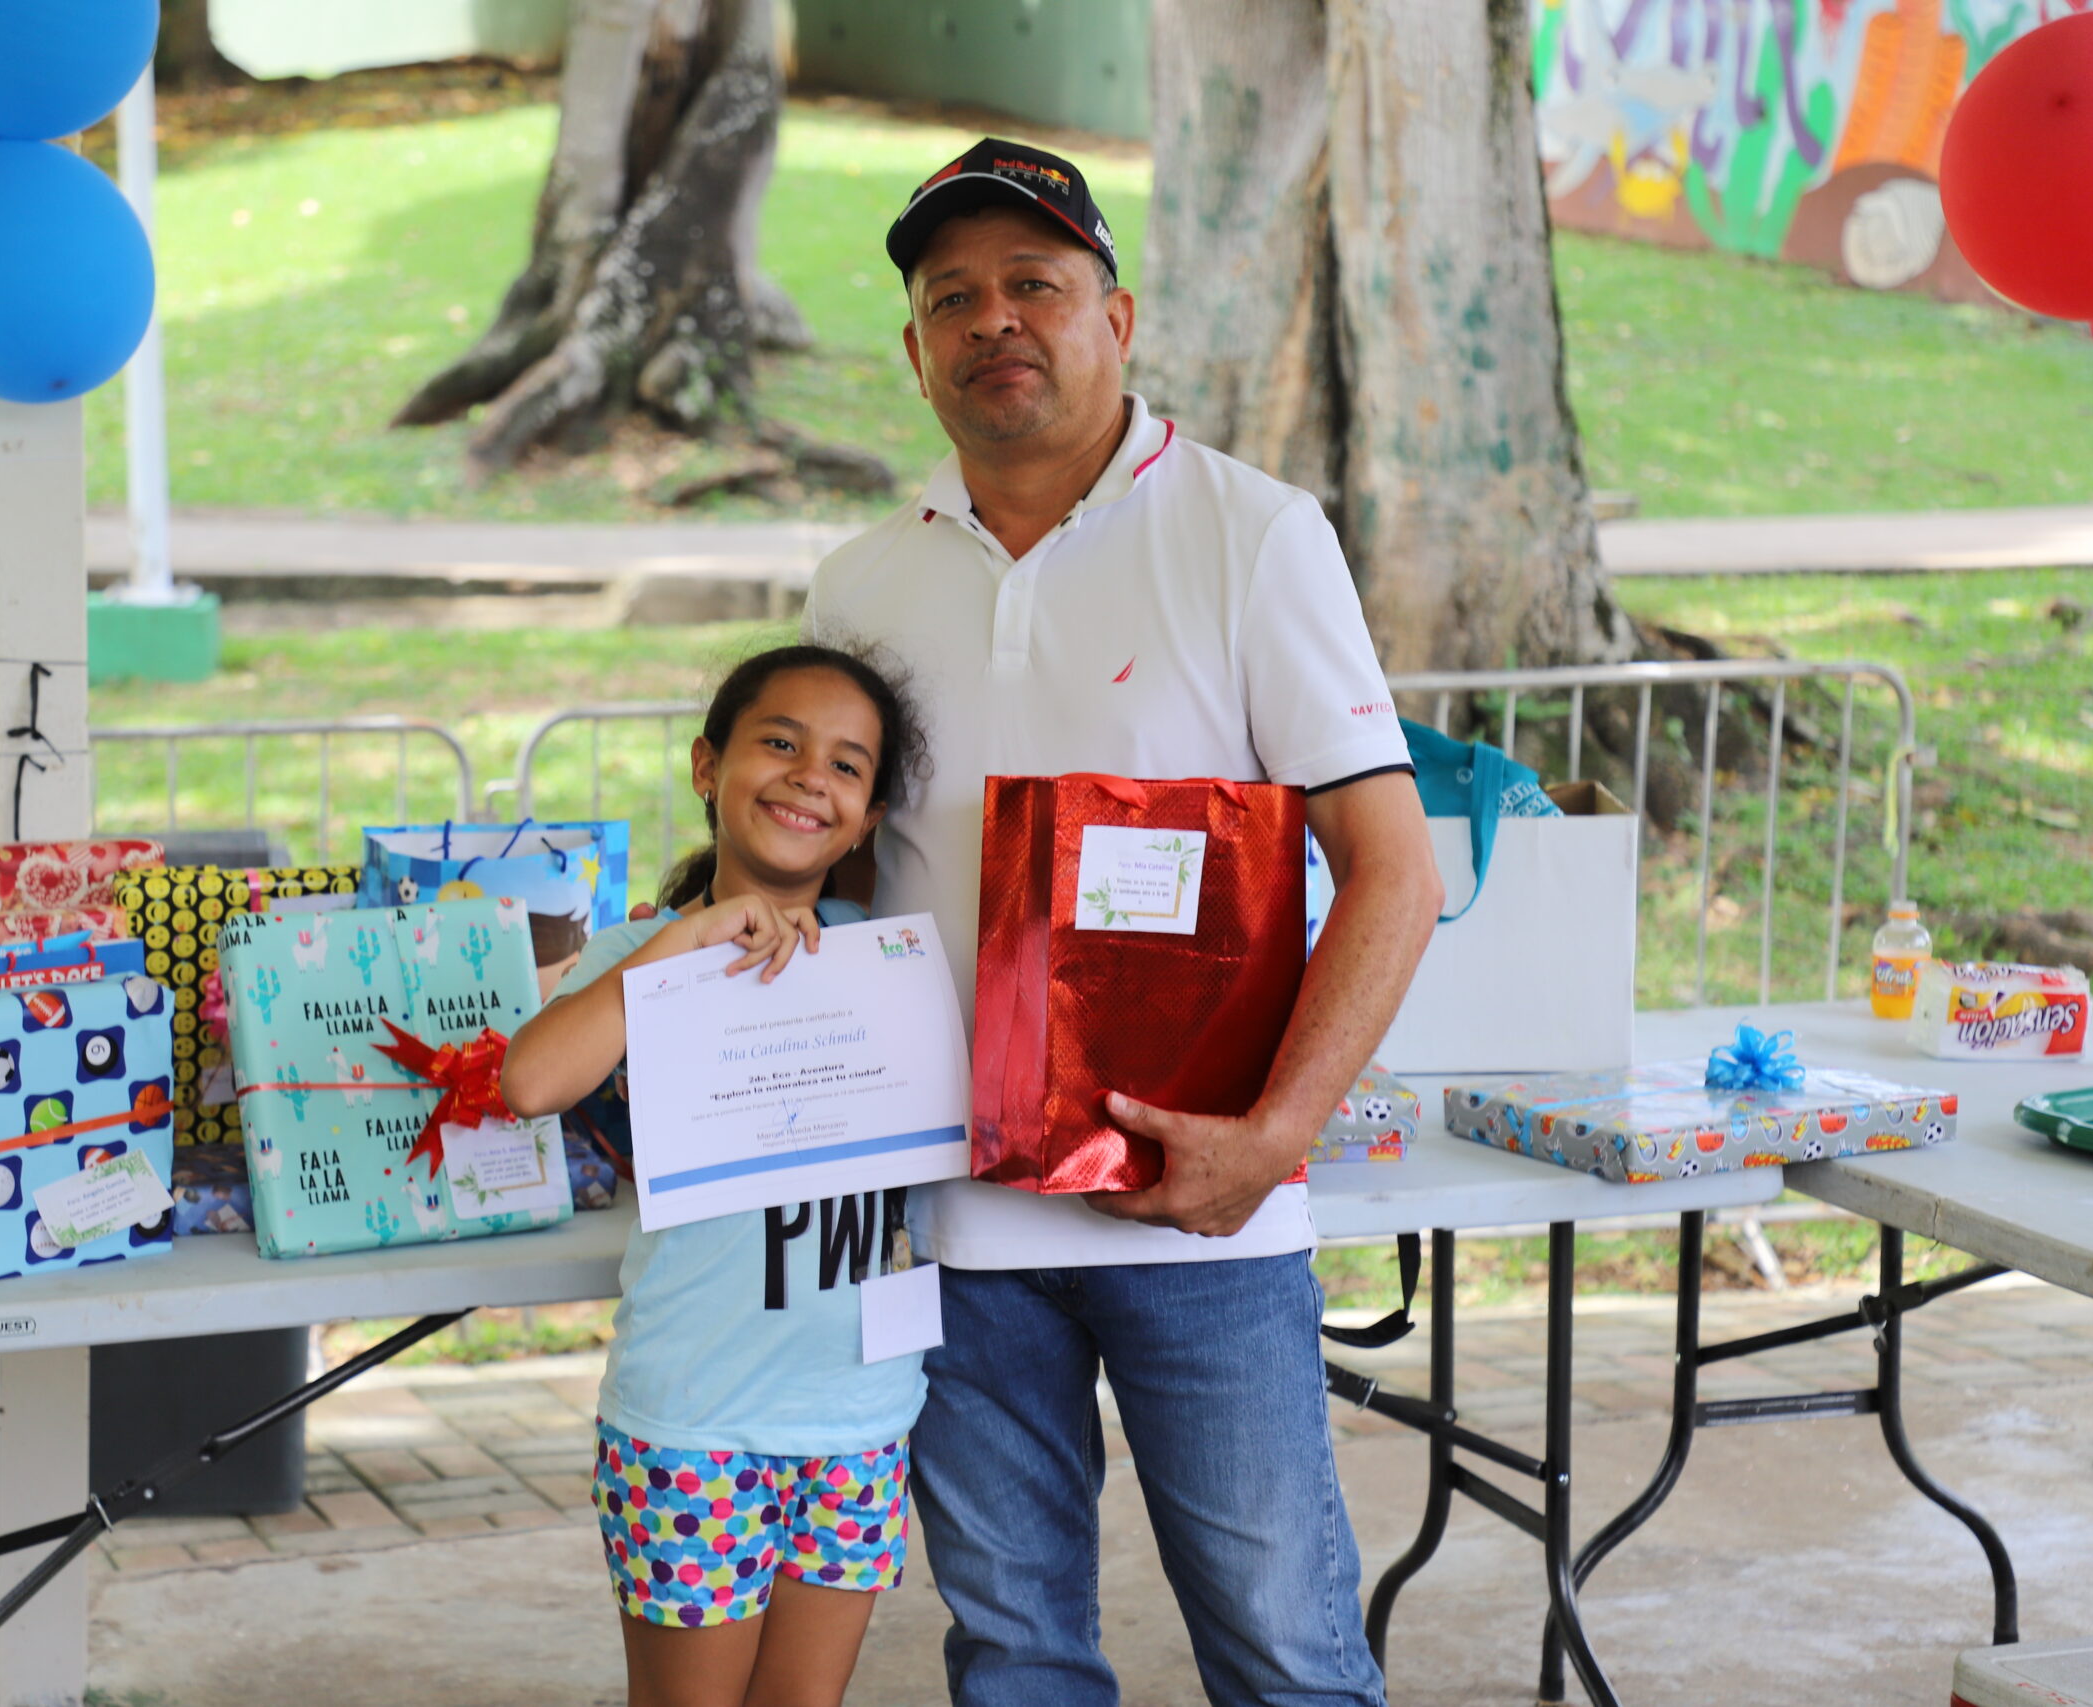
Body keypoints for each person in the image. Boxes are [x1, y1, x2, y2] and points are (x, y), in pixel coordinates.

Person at [803, 139, 1446, 1707]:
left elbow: (1395, 869)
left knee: (1288, 1656)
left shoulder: (1253, 534)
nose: (993, 320)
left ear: (1118, 316)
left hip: (1201, 1216)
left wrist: (1274, 1135)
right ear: (914, 350)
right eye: (951, 297)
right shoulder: (858, 586)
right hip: (951, 1228)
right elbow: (829, 880)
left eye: (1036, 282)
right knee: (1014, 1657)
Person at [502, 643, 933, 1707]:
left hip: (859, 1421)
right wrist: (689, 939)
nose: (808, 776)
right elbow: (531, 1081)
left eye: (846, 765)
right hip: (693, 1429)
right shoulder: (647, 952)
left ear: (869, 818)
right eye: (779, 742)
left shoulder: (890, 954)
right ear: (707, 766)